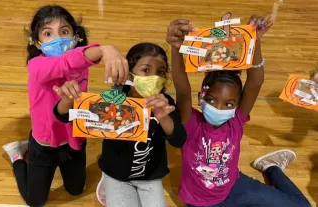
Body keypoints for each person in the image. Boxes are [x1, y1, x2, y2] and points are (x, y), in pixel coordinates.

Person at [167, 15, 311, 207]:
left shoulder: (236, 120)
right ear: (202, 96)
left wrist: (255, 41)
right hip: (201, 202)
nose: (218, 107)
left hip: (236, 187)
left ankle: (271, 168)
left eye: (228, 104)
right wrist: (176, 49)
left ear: (237, 104)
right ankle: (272, 168)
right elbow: (183, 90)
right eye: (211, 100)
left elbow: (255, 82)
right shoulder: (190, 122)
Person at [2, 5, 128, 207]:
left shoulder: (80, 63)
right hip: (44, 144)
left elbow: (74, 63)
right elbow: (64, 64)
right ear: (37, 42)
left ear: (75, 36)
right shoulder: (36, 65)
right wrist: (105, 49)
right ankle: (17, 156)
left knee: (76, 189)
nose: (57, 38)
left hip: (74, 141)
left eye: (64, 31)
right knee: (35, 202)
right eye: (47, 33)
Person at [53, 42, 187, 207]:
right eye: (145, 70)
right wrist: (68, 100)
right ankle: (106, 182)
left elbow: (179, 140)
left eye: (161, 72)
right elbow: (65, 116)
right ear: (130, 75)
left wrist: (163, 118)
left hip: (150, 176)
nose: (155, 77)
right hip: (117, 175)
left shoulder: (164, 103)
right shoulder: (114, 99)